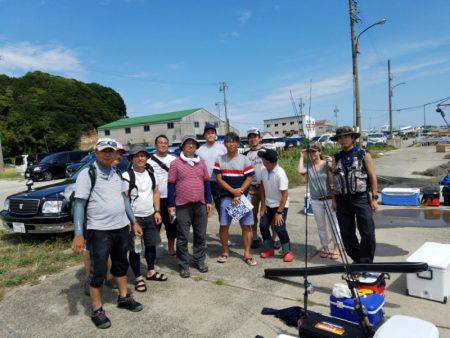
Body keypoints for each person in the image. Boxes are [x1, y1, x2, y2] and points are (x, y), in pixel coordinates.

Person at [72, 138, 143, 329]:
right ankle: (97, 309)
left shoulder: (117, 173)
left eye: (111, 151)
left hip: (121, 228)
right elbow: (78, 204)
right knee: (98, 270)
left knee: (121, 264)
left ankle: (123, 297)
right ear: (96, 152)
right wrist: (78, 233)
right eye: (104, 151)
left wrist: (133, 221)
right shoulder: (88, 174)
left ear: (115, 154)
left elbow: (125, 200)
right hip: (98, 230)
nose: (108, 154)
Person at [330, 126, 379, 263]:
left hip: (361, 198)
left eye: (346, 136)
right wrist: (334, 201)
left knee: (368, 233)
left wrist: (374, 198)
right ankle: (358, 261)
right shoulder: (336, 157)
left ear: (352, 138)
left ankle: (366, 262)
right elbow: (333, 182)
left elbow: (372, 176)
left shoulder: (363, 154)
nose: (343, 139)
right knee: (346, 234)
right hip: (342, 201)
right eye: (340, 137)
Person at [123, 144, 167, 293]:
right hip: (135, 219)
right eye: (137, 156)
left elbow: (155, 192)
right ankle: (138, 278)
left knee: (151, 245)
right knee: (135, 249)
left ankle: (150, 271)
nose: (140, 158)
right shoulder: (126, 176)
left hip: (150, 216)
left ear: (147, 158)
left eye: (143, 155)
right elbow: (124, 200)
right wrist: (131, 221)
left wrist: (157, 211)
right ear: (132, 158)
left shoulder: (150, 172)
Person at [168, 135, 212, 278]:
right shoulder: (175, 163)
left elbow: (206, 182)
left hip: (200, 204)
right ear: (182, 146)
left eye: (193, 144)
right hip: (182, 205)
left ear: (196, 147)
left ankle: (199, 260)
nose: (191, 146)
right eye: (188, 143)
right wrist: (170, 205)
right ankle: (183, 265)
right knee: (182, 237)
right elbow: (171, 184)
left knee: (200, 235)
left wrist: (209, 201)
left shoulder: (201, 163)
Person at [214, 132, 257, 266]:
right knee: (224, 225)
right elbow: (219, 178)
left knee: (246, 225)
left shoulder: (245, 159)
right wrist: (233, 192)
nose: (231, 144)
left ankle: (247, 253)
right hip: (226, 197)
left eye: (234, 141)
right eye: (228, 141)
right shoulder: (220, 159)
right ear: (225, 144)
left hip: (242, 196)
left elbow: (249, 177)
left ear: (238, 144)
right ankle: (225, 251)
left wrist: (239, 193)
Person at [298, 143, 340, 260]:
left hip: (329, 199)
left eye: (315, 151)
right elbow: (300, 170)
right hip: (316, 200)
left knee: (334, 225)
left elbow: (337, 174)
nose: (312, 154)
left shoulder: (327, 164)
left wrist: (333, 162)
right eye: (310, 151)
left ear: (320, 152)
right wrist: (301, 156)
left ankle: (336, 248)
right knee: (320, 225)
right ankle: (325, 248)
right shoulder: (309, 166)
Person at [258, 149, 294, 262]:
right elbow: (262, 187)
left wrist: (279, 212)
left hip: (280, 205)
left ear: (270, 162)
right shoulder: (263, 170)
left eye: (264, 159)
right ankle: (269, 249)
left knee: (279, 227)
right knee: (263, 226)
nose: (262, 161)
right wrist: (263, 205)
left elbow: (285, 195)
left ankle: (287, 251)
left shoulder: (280, 174)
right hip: (268, 204)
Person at [148, 135, 177, 256]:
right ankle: (152, 252)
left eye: (165, 143)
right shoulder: (148, 161)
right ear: (156, 145)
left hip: (171, 198)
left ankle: (171, 248)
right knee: (155, 227)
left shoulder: (174, 159)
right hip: (154, 199)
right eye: (160, 142)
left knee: (172, 225)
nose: (163, 145)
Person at [197, 122, 227, 214]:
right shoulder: (199, 150)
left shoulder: (222, 148)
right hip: (204, 183)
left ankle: (223, 227)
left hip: (219, 182)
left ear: (216, 135)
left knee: (221, 208)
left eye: (212, 132)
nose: (210, 135)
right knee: (204, 209)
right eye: (208, 133)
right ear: (204, 135)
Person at [243, 128, 264, 249]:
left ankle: (272, 239)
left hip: (266, 187)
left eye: (255, 136)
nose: (253, 139)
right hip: (251, 188)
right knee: (252, 214)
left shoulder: (267, 151)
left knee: (268, 214)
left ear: (259, 138)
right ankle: (255, 238)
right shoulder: (246, 154)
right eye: (250, 137)